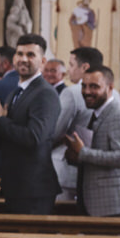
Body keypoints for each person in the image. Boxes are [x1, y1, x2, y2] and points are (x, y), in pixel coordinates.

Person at [0, 34, 61, 214]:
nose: (23, 59)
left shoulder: (45, 94)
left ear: (42, 61)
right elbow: (7, 140)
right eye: (19, 54)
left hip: (34, 187)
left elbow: (33, 138)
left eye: (30, 55)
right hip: (16, 184)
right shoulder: (16, 93)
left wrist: (0, 118)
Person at [62, 65, 120, 217]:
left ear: (110, 87)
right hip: (96, 201)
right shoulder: (96, 114)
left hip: (115, 205)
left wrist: (82, 152)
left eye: (94, 87)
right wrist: (74, 156)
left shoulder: (119, 115)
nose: (87, 92)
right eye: (84, 86)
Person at [50, 46, 101, 202]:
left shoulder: (72, 92)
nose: (69, 70)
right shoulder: (114, 94)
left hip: (67, 168)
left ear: (84, 67)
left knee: (61, 218)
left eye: (71, 65)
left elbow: (56, 131)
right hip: (95, 167)